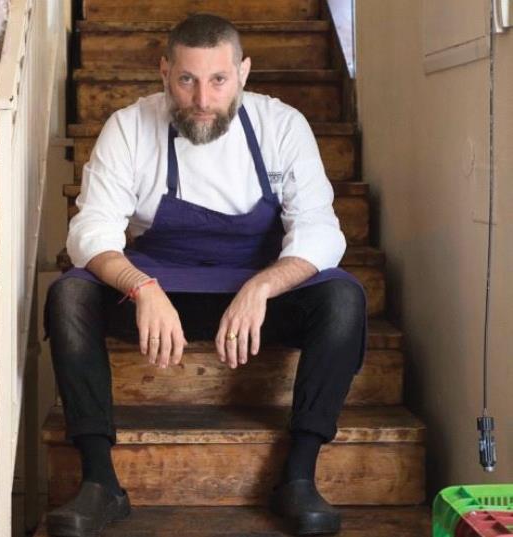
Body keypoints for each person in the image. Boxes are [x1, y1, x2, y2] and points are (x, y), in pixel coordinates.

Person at [44, 13, 366, 537]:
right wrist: (141, 287)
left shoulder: (283, 126)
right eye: (187, 80)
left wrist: (261, 285)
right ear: (164, 72)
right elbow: (90, 232)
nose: (202, 98)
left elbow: (321, 232)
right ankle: (100, 482)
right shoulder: (128, 126)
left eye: (218, 80)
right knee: (70, 295)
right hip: (162, 290)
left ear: (243, 73)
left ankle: (300, 476)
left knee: (344, 299)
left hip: (255, 295)